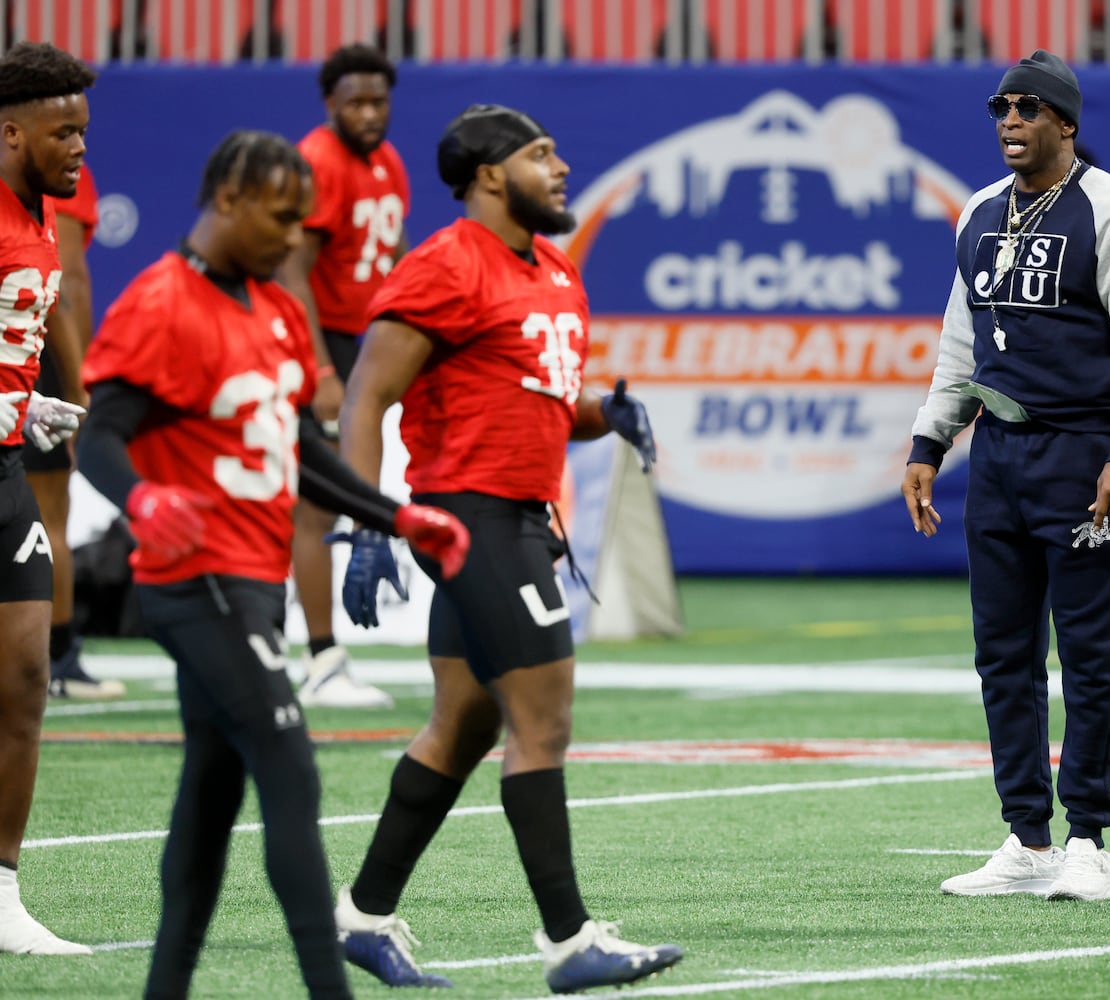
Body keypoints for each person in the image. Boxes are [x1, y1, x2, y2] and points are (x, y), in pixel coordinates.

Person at [74, 129, 469, 998]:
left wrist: (395, 514)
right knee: (291, 768)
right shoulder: (160, 301)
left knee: (210, 799)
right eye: (281, 217)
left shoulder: (278, 308)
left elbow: (297, 440)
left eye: (303, 219)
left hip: (254, 580)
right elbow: (101, 435)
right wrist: (141, 499)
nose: (296, 236)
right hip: (194, 579)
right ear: (226, 199)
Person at [330, 103, 682, 994]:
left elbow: (534, 402)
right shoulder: (445, 264)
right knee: (542, 723)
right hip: (473, 519)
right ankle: (570, 943)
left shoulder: (555, 269)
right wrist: (366, 521)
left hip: (516, 515)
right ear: (489, 174)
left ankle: (363, 917)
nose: (560, 167)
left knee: (464, 725)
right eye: (540, 154)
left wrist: (606, 414)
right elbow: (367, 396)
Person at [901, 51, 1110, 902]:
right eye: (1000, 108)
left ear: (1066, 122)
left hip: (1085, 455)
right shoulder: (979, 213)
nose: (1009, 121)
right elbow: (960, 338)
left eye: (1027, 108)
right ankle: (1027, 838)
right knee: (1003, 655)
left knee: (1090, 655)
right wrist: (927, 440)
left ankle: (1089, 838)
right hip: (1001, 457)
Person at [279, 43, 409, 709]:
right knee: (317, 498)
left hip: (363, 338)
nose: (368, 112)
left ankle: (298, 645)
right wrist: (321, 365)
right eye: (355, 101)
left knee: (342, 489)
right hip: (319, 339)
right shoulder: (320, 161)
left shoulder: (388, 162)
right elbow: (292, 270)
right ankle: (321, 656)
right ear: (330, 104)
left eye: (378, 100)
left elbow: (390, 253)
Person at [0, 41, 95, 957]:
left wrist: (23, 403)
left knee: (25, 677)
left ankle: (1, 896)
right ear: (11, 130)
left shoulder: (39, 219)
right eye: (63, 133)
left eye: (84, 132)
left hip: (1, 474)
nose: (78, 151)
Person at [31, 162, 124, 701]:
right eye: (67, 129)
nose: (77, 144)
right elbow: (66, 286)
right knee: (46, 519)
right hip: (29, 361)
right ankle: (58, 654)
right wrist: (80, 384)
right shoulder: (50, 175)